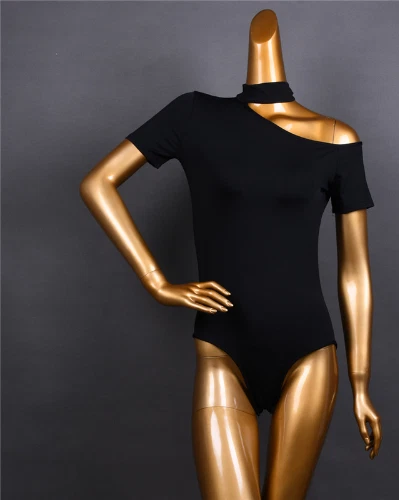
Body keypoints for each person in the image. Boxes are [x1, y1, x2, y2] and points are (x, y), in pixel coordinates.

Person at [80, 8, 382, 500]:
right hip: (223, 350)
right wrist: (156, 281)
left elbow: (355, 270)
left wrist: (360, 381)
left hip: (307, 352)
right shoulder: (194, 116)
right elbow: (98, 183)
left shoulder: (336, 139)